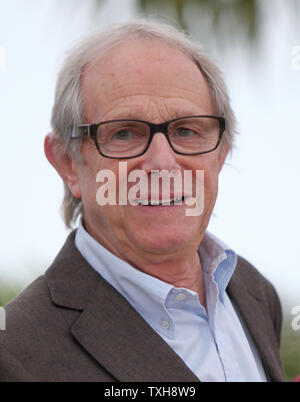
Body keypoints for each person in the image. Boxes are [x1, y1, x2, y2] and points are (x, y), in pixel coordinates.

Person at [0, 20, 286, 382]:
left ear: (221, 152)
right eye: (124, 133)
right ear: (68, 163)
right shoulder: (16, 358)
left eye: (186, 130)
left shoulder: (254, 293)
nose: (162, 163)